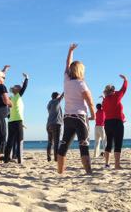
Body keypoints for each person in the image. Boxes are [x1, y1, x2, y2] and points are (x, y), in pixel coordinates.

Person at [56, 43, 96, 174]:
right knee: (83, 145)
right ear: (81, 71)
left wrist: (70, 51)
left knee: (64, 145)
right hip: (80, 117)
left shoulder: (66, 80)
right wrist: (93, 115)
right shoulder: (81, 84)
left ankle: (60, 172)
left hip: (67, 118)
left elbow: (67, 63)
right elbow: (90, 102)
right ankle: (88, 172)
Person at [100, 75, 128, 169]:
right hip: (117, 122)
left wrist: (104, 98)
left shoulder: (104, 101)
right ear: (113, 91)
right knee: (118, 143)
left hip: (107, 123)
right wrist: (125, 80)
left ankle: (107, 164)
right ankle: (117, 165)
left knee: (109, 143)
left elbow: (105, 109)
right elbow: (123, 89)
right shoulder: (116, 96)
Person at [3, 72, 29, 164]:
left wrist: (21, 84)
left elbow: (21, 88)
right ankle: (20, 160)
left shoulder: (11, 98)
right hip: (17, 121)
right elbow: (24, 88)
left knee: (10, 141)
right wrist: (27, 78)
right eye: (19, 87)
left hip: (11, 122)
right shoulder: (17, 97)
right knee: (20, 140)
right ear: (17, 90)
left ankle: (6, 159)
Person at [46, 92, 64, 162]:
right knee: (56, 142)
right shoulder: (56, 101)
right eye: (58, 96)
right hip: (56, 124)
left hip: (49, 124)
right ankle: (56, 158)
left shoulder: (49, 103)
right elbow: (63, 95)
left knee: (50, 142)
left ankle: (48, 157)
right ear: (57, 97)